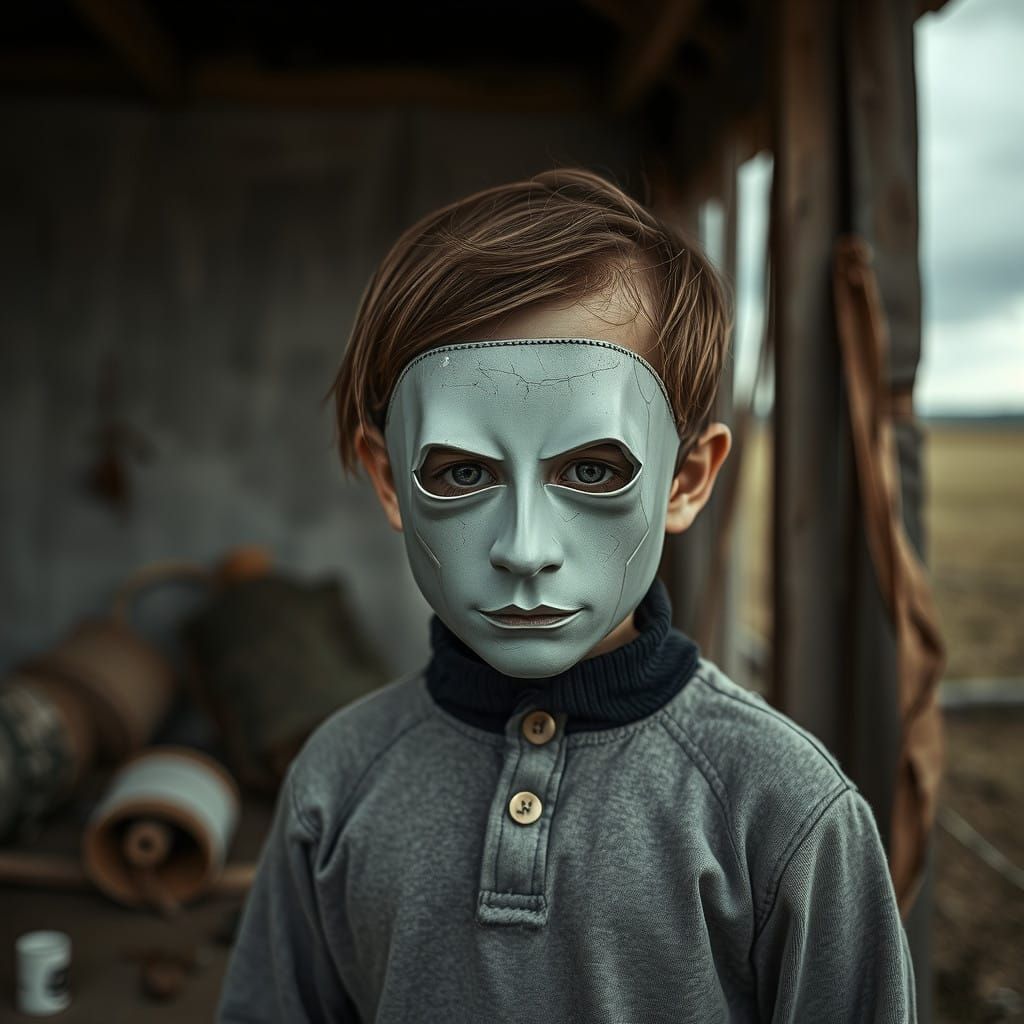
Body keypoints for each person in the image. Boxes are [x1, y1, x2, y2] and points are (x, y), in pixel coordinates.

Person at [217, 168, 916, 1023]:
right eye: (462, 472)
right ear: (387, 477)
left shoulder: (785, 814)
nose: (524, 550)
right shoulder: (336, 783)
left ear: (685, 479)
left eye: (591, 469)